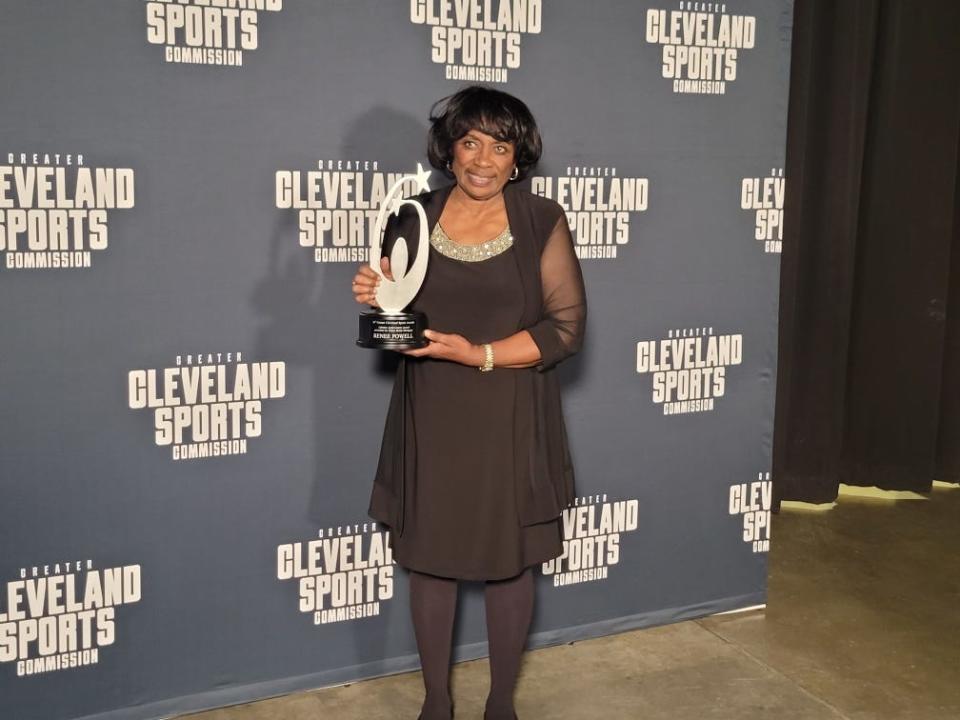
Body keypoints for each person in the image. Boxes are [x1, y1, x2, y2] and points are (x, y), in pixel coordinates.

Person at [351, 85, 586, 720]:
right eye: (470, 141)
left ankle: (500, 706)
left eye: (500, 145)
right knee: (430, 562)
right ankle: (435, 704)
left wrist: (475, 353)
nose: (483, 159)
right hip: (431, 412)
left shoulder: (542, 220)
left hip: (509, 413)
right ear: (449, 150)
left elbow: (565, 330)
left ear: (519, 157)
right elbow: (399, 316)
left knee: (511, 564)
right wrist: (377, 294)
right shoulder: (412, 216)